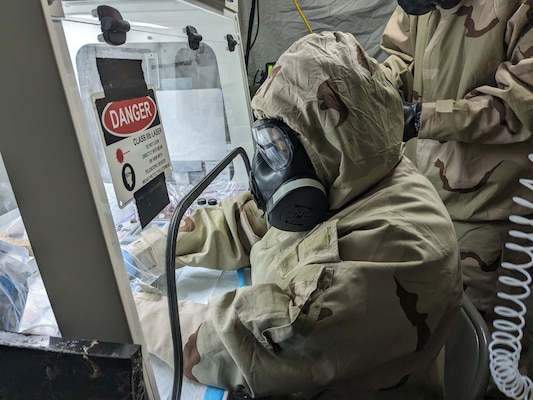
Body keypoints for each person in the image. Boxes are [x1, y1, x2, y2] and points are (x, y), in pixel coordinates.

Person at [134, 31, 462, 399]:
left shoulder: (391, 247)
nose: (262, 167)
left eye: (276, 149)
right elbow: (249, 222)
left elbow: (234, 347)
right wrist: (151, 249)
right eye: (265, 145)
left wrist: (135, 313)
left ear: (328, 140)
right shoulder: (351, 173)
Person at [379, 0, 533, 389]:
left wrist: (422, 117)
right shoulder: (419, 7)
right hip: (423, 199)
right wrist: (374, 89)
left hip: (490, 214)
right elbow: (399, 55)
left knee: (483, 362)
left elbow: (519, 105)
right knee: (426, 341)